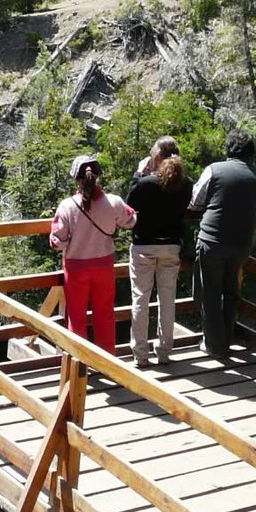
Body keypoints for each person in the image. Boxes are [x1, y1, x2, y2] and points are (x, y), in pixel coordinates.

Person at [190, 129, 256, 359]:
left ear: (229, 149)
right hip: (243, 242)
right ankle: (226, 337)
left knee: (210, 293)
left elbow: (196, 201)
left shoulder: (215, 170)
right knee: (231, 291)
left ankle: (215, 346)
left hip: (213, 240)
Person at [50, 155, 136, 354]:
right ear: (97, 177)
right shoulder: (114, 202)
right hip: (104, 267)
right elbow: (131, 220)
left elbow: (57, 241)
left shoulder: (67, 206)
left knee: (77, 317)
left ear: (76, 179)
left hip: (76, 268)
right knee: (104, 314)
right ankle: (108, 361)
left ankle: (79, 362)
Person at [126, 136, 194, 367]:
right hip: (171, 246)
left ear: (156, 158)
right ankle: (164, 352)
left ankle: (140, 355)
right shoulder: (187, 185)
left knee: (140, 299)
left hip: (144, 246)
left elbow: (129, 203)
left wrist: (138, 174)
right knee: (167, 300)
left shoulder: (146, 184)